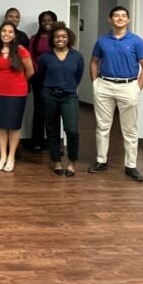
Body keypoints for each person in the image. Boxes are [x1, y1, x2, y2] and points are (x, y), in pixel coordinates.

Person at [87, 6, 143, 182]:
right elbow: (93, 62)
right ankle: (101, 161)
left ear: (128, 20)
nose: (120, 18)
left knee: (130, 129)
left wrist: (138, 87)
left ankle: (131, 166)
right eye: (116, 15)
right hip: (104, 85)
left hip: (128, 86)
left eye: (123, 16)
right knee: (102, 126)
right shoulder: (102, 41)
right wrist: (95, 83)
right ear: (110, 19)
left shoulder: (136, 41)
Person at [38, 22, 84, 177]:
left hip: (69, 96)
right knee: (52, 131)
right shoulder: (45, 57)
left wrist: (67, 86)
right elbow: (42, 76)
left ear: (68, 38)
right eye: (57, 36)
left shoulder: (77, 56)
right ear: (52, 39)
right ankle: (56, 162)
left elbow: (78, 77)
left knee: (72, 130)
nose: (60, 39)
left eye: (64, 36)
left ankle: (72, 163)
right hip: (49, 95)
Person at [0, 22, 34, 172]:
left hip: (16, 93)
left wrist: (19, 83)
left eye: (10, 32)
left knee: (14, 126)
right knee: (1, 126)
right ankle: (2, 156)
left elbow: (30, 71)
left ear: (15, 35)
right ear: (0, 33)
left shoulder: (21, 50)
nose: (6, 34)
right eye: (4, 31)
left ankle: (11, 157)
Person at [28, 10, 58, 152]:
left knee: (54, 110)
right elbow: (30, 57)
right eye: (44, 20)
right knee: (39, 109)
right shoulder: (35, 38)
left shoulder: (59, 37)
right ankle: (36, 142)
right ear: (40, 22)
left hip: (55, 78)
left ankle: (54, 144)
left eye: (50, 20)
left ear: (54, 21)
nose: (47, 23)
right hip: (39, 78)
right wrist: (38, 71)